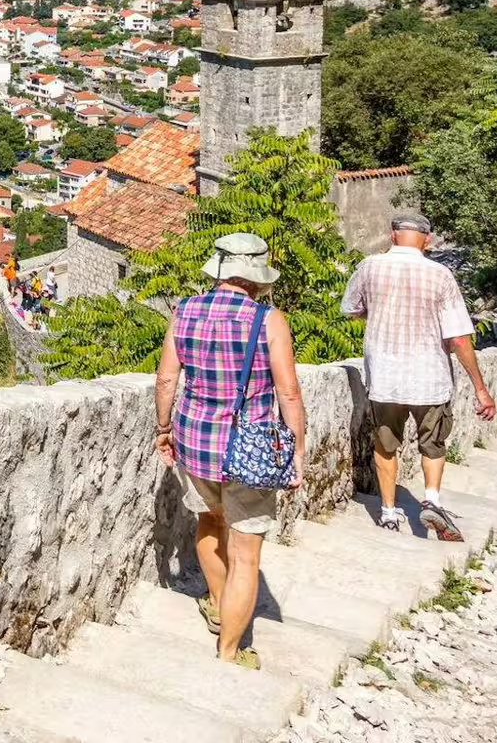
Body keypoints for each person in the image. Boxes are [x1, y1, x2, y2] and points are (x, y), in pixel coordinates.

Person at [155, 232, 307, 671]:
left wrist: (163, 429)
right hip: (250, 450)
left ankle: (220, 606)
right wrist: (296, 452)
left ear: (219, 271)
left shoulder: (185, 311)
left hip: (195, 442)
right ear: (257, 278)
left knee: (209, 520)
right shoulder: (269, 320)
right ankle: (230, 650)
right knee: (246, 554)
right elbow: (289, 393)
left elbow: (167, 380)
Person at [341, 212, 497, 541]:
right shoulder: (440, 275)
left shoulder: (369, 267)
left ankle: (387, 512)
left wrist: (377, 311)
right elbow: (458, 338)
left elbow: (351, 308)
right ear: (428, 240)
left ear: (392, 235)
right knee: (433, 444)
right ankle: (432, 501)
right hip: (430, 378)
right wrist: (481, 389)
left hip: (385, 378)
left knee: (385, 446)